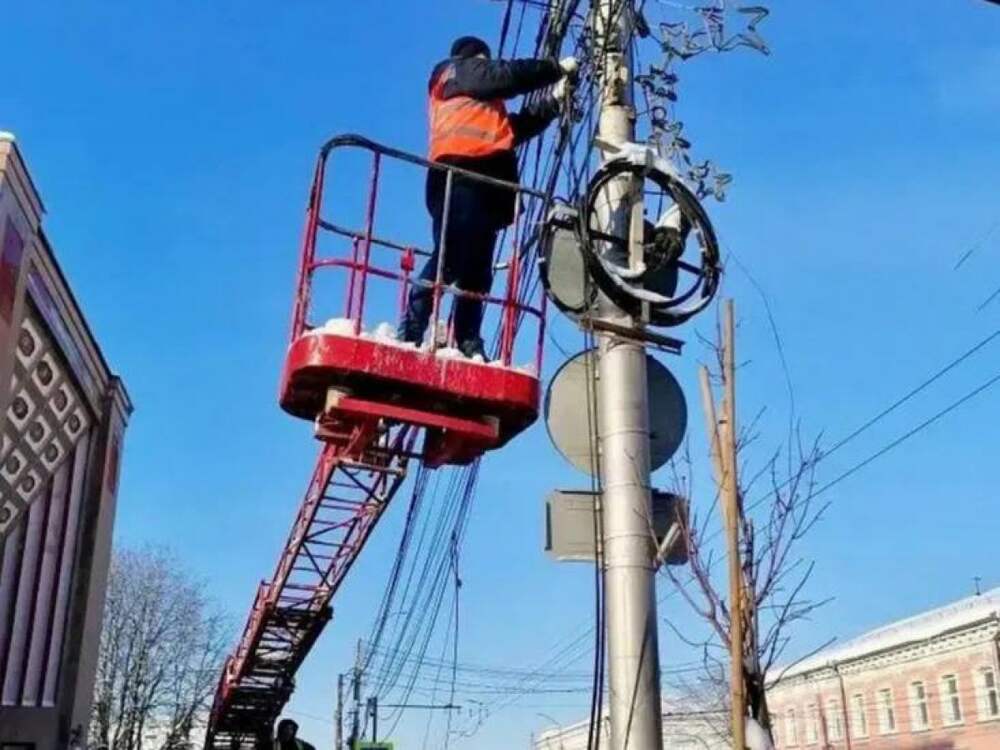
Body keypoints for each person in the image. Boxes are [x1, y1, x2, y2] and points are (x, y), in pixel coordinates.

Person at [399, 35, 578, 359]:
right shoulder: (455, 71)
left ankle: (468, 340)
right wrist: (553, 69)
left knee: (477, 271)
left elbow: (512, 130)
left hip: (486, 189)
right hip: (460, 176)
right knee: (450, 258)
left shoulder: (479, 105)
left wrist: (554, 102)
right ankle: (411, 328)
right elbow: (505, 76)